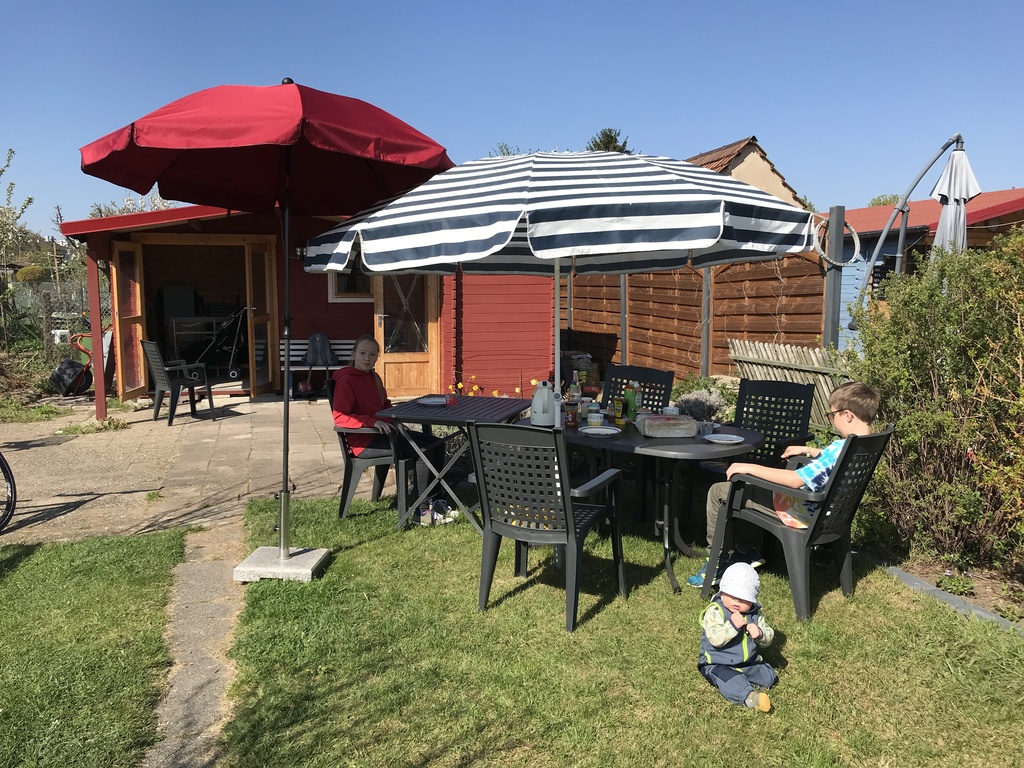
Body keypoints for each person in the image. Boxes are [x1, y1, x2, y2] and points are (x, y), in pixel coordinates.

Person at [688, 381, 881, 588]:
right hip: (831, 516)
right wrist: (808, 451)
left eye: (832, 414)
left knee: (721, 491)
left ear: (848, 415)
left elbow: (794, 481)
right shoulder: (867, 444)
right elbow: (833, 459)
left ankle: (716, 563)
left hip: (802, 512)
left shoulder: (839, 448)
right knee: (752, 488)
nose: (831, 419)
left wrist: (747, 467)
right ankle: (747, 550)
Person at [331, 335, 447, 523]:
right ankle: (421, 512)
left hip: (384, 434)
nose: (367, 358)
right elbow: (340, 417)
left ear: (377, 357)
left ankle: (435, 499)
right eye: (362, 353)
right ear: (353, 354)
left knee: (437, 443)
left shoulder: (373, 377)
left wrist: (398, 414)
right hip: (364, 442)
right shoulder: (346, 380)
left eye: (372, 354)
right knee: (423, 451)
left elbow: (384, 405)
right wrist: (373, 422)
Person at [698, 562, 776, 711]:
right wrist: (732, 626)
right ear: (723, 591)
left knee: (769, 677)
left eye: (744, 599)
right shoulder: (716, 611)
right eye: (732, 596)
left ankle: (742, 676)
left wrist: (760, 633)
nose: (737, 602)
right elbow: (715, 638)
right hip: (717, 662)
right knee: (730, 680)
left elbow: (769, 636)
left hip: (747, 662)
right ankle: (751, 697)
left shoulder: (755, 613)